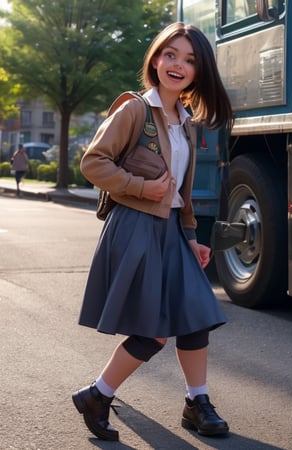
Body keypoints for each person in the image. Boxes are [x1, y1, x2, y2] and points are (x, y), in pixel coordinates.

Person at [72, 22, 233, 442]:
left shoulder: (186, 121)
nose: (178, 64)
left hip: (173, 233)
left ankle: (196, 402)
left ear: (200, 71)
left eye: (190, 59)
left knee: (195, 315)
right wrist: (141, 187)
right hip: (137, 228)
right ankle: (97, 395)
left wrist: (192, 235)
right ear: (156, 60)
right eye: (171, 54)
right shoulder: (134, 110)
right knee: (153, 330)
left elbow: (180, 191)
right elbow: (93, 163)